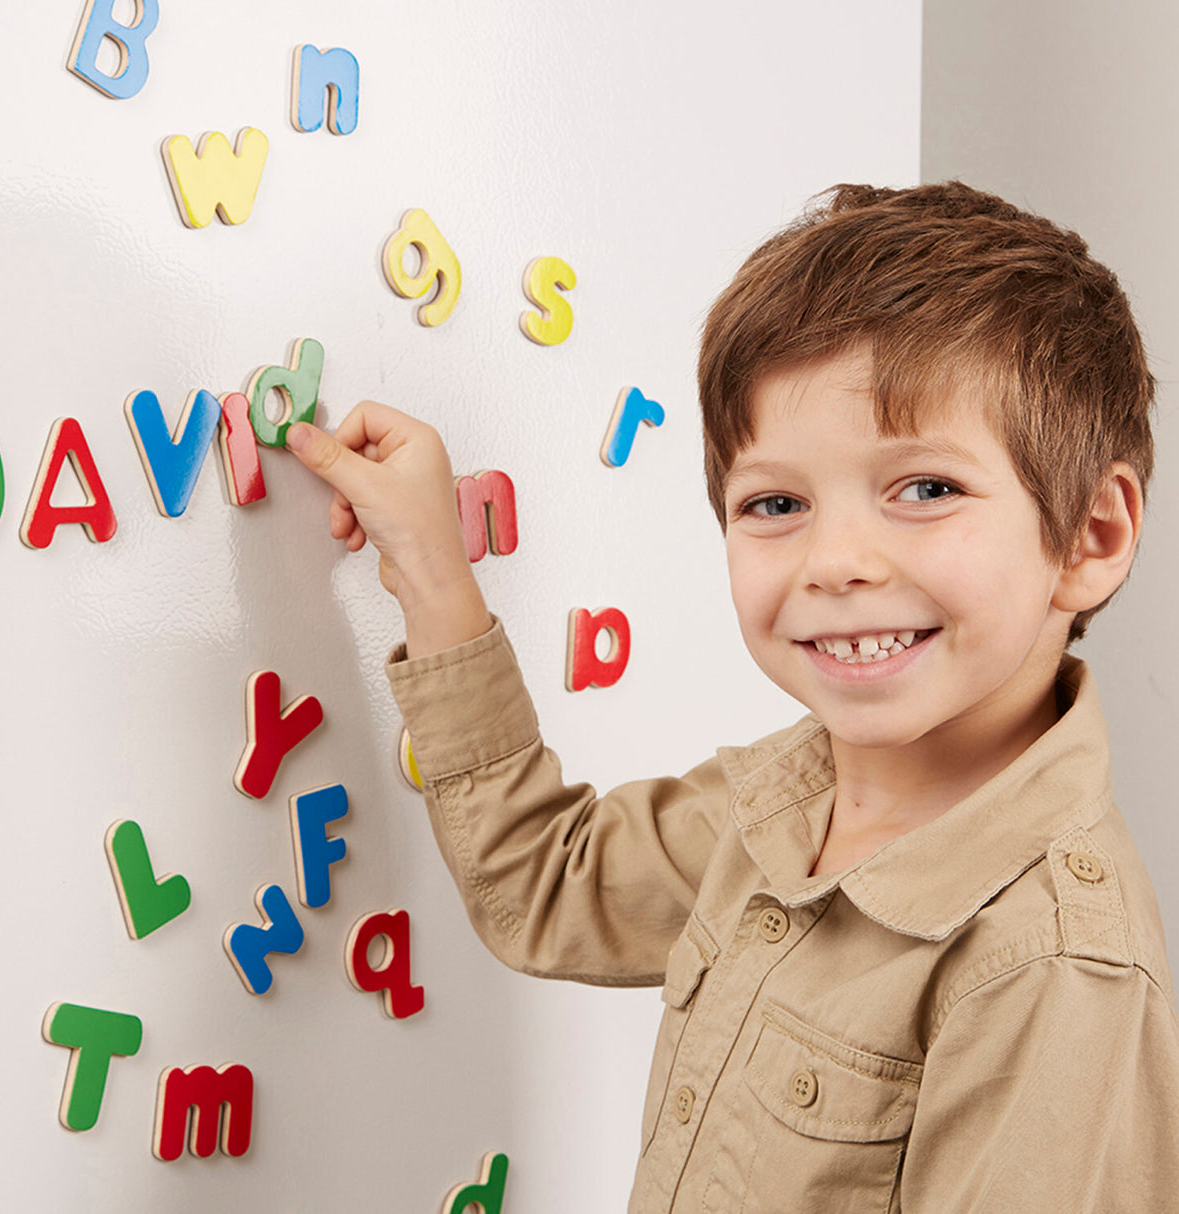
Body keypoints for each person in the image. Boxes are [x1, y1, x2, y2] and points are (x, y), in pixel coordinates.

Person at [285, 182, 1179, 1211]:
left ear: (1090, 537)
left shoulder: (1050, 964)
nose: (834, 560)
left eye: (924, 487)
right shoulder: (780, 799)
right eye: (775, 503)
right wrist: (431, 568)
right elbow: (543, 883)